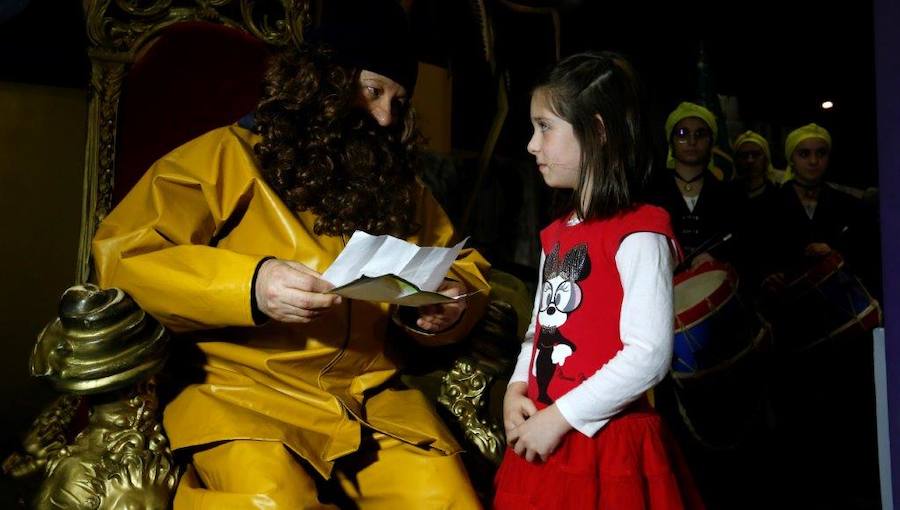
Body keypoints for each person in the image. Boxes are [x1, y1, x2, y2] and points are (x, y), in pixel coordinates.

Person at [91, 1, 491, 508]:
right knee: (272, 501)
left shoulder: (397, 185)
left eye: (399, 100)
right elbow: (125, 255)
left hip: (369, 400)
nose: (387, 117)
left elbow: (462, 263)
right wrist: (252, 286)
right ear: (324, 83)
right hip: (241, 393)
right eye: (373, 91)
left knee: (446, 496)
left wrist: (453, 299)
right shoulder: (224, 155)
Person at [492, 51, 703, 510]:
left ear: (599, 132)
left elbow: (649, 355)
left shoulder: (641, 231)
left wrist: (561, 418)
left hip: (607, 445)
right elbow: (542, 327)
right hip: (548, 434)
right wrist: (516, 388)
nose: (532, 144)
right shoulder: (556, 235)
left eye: (545, 126)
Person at [645, 102, 746, 270]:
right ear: (671, 141)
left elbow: (742, 244)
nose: (692, 141)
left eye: (700, 134)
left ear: (711, 141)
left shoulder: (730, 195)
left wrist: (717, 257)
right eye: (683, 133)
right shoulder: (650, 190)